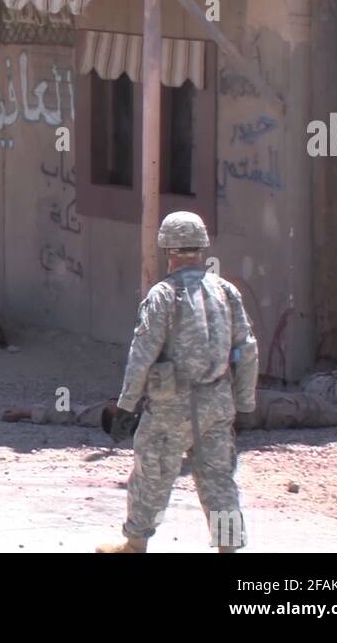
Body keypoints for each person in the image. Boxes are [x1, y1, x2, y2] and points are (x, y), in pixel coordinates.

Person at [97, 211, 259, 553]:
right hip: (216, 403)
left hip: (171, 407)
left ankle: (135, 543)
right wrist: (245, 402)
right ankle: (228, 547)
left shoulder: (163, 295)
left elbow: (142, 354)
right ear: (201, 246)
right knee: (218, 478)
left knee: (152, 473)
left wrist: (126, 405)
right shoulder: (226, 291)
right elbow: (246, 347)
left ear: (166, 248)